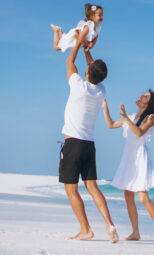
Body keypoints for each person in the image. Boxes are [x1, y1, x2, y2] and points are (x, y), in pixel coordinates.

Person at [58, 24, 118, 243]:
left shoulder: (78, 86)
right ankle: (109, 224)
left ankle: (86, 229)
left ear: (87, 72)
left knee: (71, 190)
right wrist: (86, 50)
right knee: (92, 187)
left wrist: (81, 37)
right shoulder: (100, 91)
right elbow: (90, 69)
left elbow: (68, 62)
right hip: (89, 145)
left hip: (73, 144)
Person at [101, 90, 154, 243]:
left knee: (143, 198)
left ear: (149, 103)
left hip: (140, 158)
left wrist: (126, 119)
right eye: (142, 94)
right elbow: (110, 125)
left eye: (145, 96)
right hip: (128, 157)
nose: (140, 96)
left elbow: (138, 133)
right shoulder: (130, 117)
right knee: (128, 196)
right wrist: (105, 107)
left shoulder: (150, 118)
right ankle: (135, 232)